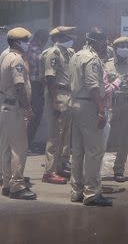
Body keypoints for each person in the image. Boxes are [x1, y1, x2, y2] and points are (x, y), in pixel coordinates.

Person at [68, 27, 112, 207]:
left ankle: (76, 191)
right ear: (97, 42)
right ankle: (92, 192)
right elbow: (94, 87)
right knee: (94, 151)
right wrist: (101, 111)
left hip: (75, 103)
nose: (105, 46)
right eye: (104, 42)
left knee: (78, 151)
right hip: (89, 105)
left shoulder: (76, 55)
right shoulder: (92, 59)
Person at [0, 27, 36, 200]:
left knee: (7, 147)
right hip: (15, 108)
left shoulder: (5, 56)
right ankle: (17, 186)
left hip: (6, 106)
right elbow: (20, 86)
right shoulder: (17, 60)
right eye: (25, 41)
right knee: (19, 148)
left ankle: (6, 183)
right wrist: (27, 107)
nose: (28, 44)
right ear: (17, 42)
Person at [42, 26, 77, 185]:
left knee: (65, 136)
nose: (73, 38)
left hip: (69, 95)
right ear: (60, 37)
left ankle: (61, 166)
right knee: (55, 135)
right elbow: (50, 78)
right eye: (70, 35)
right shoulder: (53, 53)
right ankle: (49, 172)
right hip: (58, 95)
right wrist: (55, 101)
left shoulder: (68, 53)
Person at [103, 36, 128, 182]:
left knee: (124, 138)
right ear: (115, 48)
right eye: (121, 46)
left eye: (127, 45)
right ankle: (95, 169)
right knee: (104, 136)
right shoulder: (107, 64)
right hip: (111, 105)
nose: (125, 48)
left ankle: (119, 169)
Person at [26, 29, 49, 153]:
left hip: (28, 85)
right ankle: (27, 143)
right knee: (35, 116)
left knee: (30, 116)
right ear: (42, 40)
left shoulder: (28, 48)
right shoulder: (37, 52)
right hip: (36, 86)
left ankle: (27, 142)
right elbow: (42, 74)